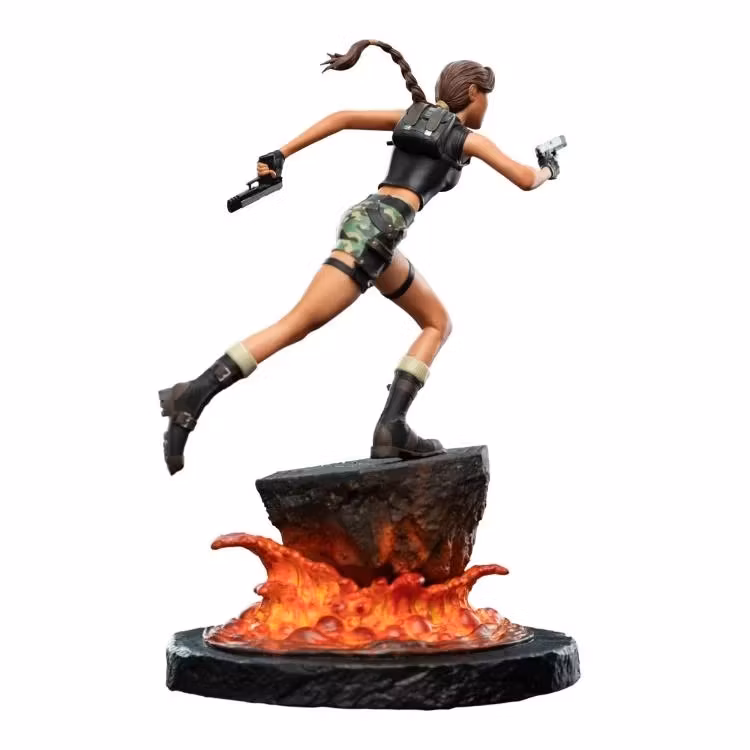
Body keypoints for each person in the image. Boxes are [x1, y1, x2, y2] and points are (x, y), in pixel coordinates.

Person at [159, 39, 560, 475]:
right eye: (487, 98)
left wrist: (281, 154)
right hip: (376, 231)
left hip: (376, 228)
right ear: (475, 93)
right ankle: (194, 394)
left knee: (436, 322)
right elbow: (525, 179)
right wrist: (548, 169)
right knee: (297, 323)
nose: (487, 107)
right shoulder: (467, 139)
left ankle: (393, 427)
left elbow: (343, 118)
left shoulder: (412, 117)